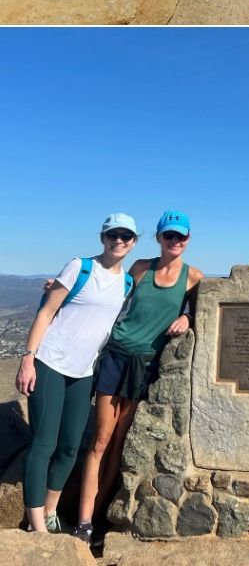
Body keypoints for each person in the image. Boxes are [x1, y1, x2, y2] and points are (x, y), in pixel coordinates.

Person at [72, 211, 202, 545]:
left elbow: (205, 310)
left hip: (145, 366)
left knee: (119, 444)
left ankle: (97, 518)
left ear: (188, 239)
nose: (175, 242)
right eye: (169, 236)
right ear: (158, 238)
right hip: (117, 357)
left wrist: (187, 317)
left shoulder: (193, 278)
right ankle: (83, 521)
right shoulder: (141, 268)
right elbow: (110, 295)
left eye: (181, 237)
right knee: (101, 439)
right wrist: (62, 291)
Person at [14, 214, 139, 535]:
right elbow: (46, 311)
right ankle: (38, 525)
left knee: (70, 446)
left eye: (126, 236)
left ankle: (52, 511)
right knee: (44, 443)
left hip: (84, 372)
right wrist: (28, 359)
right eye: (113, 235)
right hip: (50, 362)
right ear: (103, 238)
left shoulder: (126, 283)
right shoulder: (80, 267)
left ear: (134, 242)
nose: (119, 241)